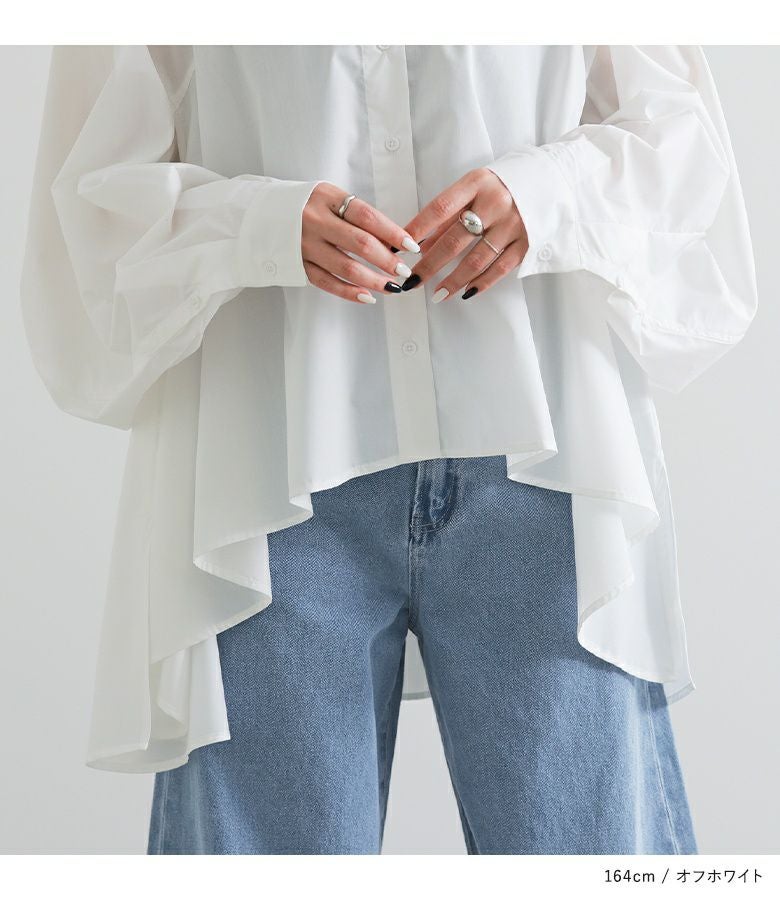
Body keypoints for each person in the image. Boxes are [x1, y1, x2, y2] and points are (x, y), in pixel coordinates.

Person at [20, 45, 757, 854]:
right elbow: (92, 202)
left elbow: (682, 142)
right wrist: (257, 224)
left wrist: (546, 195)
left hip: (544, 464)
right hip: (272, 484)